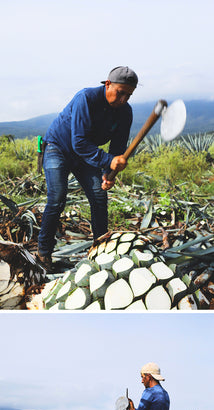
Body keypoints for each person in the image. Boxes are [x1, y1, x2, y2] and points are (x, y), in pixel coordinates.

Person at [37, 66, 138, 269]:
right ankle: (43, 253)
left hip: (86, 154)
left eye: (129, 95)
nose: (123, 99)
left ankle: (100, 252)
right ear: (107, 84)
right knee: (57, 198)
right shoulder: (87, 98)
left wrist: (109, 173)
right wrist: (108, 161)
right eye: (120, 93)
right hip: (58, 147)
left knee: (99, 196)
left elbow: (117, 149)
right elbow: (79, 142)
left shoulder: (125, 112)